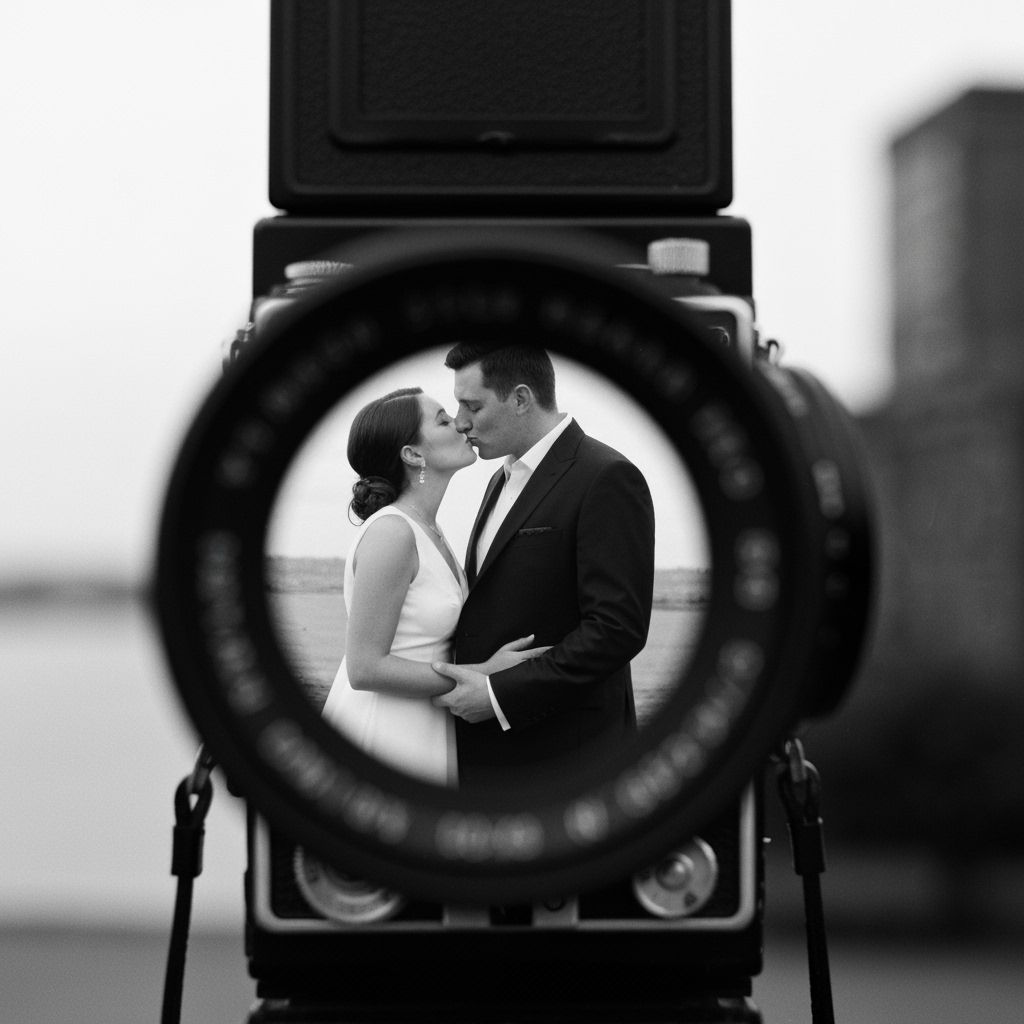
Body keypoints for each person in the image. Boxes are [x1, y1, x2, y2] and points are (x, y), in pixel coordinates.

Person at [432, 344, 656, 790]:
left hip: (569, 758)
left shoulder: (606, 476)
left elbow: (617, 629)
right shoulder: (499, 479)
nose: (460, 422)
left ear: (520, 399)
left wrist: (499, 696)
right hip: (491, 757)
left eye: (472, 406)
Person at [321, 386, 546, 787]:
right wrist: (483, 674)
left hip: (424, 725)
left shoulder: (429, 530)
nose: (460, 423)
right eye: (443, 420)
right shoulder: (392, 533)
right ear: (413, 454)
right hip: (384, 733)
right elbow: (365, 668)